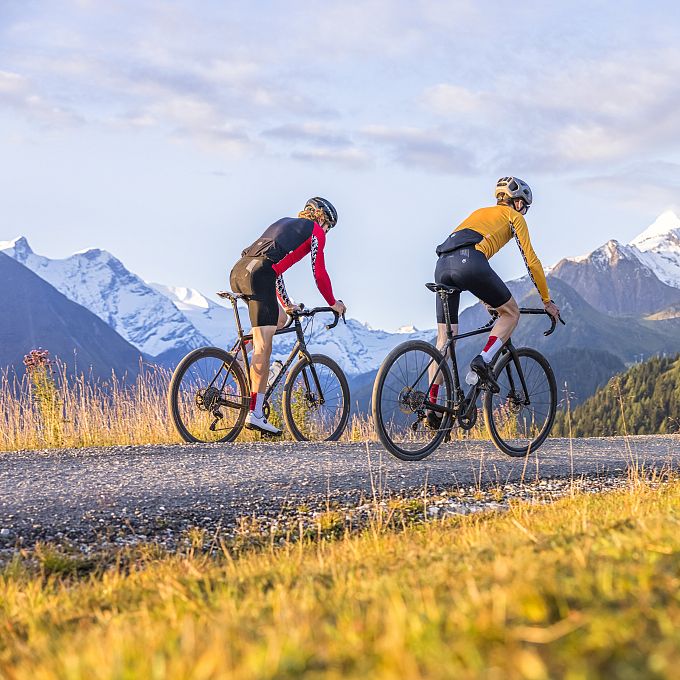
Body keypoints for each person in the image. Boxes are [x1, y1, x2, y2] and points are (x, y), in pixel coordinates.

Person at [428, 177, 560, 417]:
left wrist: (485, 299)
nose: (524, 211)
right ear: (518, 203)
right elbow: (531, 261)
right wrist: (546, 300)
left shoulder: (480, 212)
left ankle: (432, 406)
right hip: (471, 262)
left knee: (445, 341)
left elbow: (464, 255)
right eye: (524, 206)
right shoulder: (514, 217)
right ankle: (483, 360)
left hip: (442, 265)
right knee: (511, 313)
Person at [230, 197, 347, 435]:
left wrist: (287, 303)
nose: (327, 232)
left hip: (240, 270)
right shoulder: (315, 231)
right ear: (322, 217)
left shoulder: (285, 224)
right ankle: (256, 413)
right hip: (260, 275)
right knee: (264, 347)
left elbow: (276, 269)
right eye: (329, 227)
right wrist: (333, 303)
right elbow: (319, 271)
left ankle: (238, 359)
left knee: (280, 319)